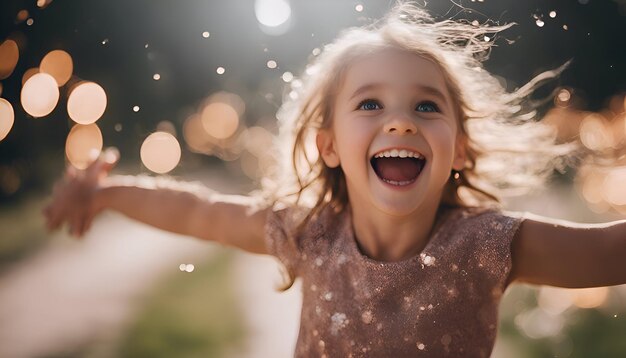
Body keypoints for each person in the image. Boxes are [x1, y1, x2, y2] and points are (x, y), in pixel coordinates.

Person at [44, 3, 626, 357]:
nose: (399, 119)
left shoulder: (489, 246)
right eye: (370, 105)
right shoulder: (311, 234)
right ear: (328, 146)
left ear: (459, 149)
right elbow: (199, 212)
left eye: (426, 108)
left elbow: (605, 252)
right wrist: (107, 192)